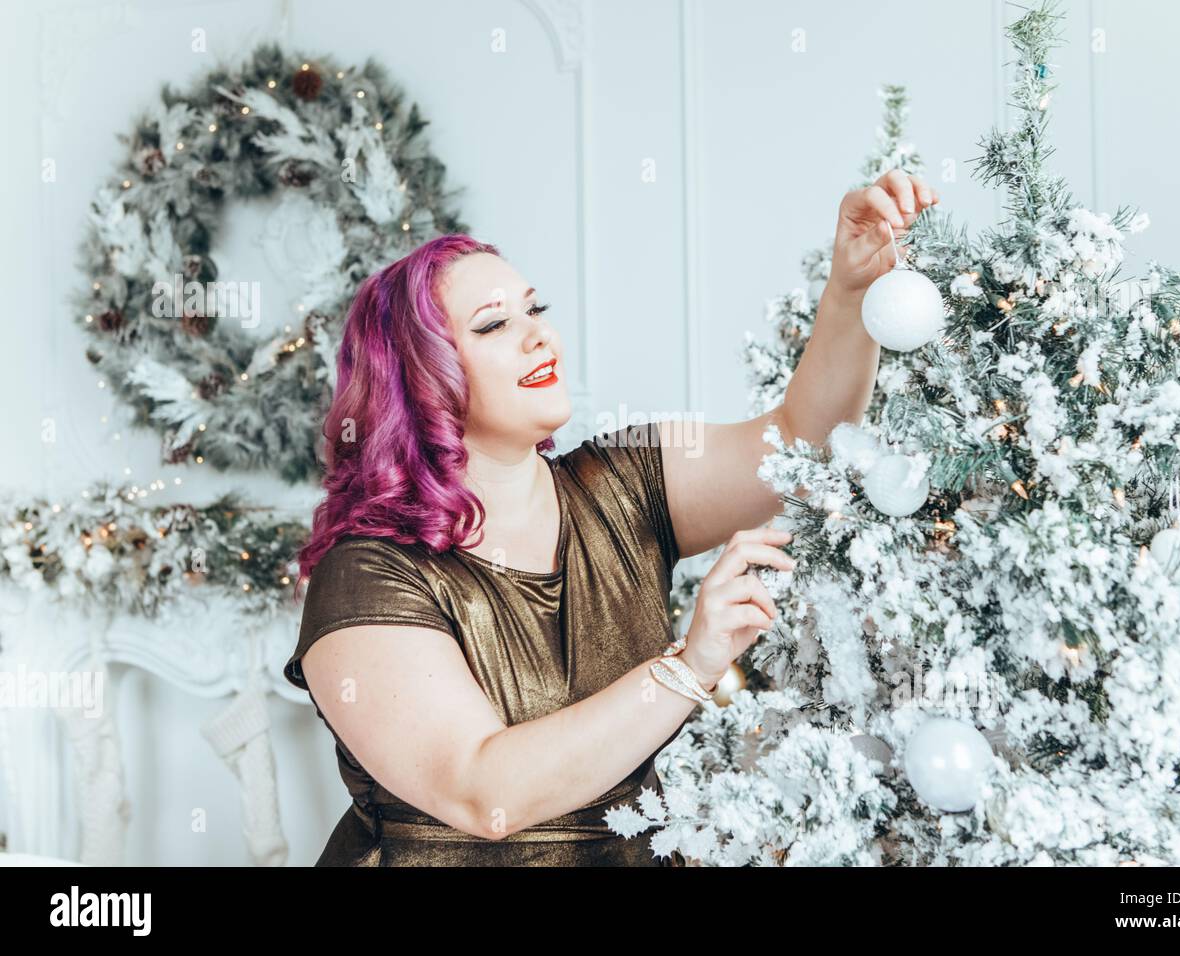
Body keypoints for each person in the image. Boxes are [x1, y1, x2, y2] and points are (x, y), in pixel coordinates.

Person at [283, 170, 939, 865]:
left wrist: (852, 290)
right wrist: (690, 666)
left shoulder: (621, 480)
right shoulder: (363, 575)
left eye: (537, 310)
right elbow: (483, 794)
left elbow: (801, 441)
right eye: (495, 324)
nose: (539, 337)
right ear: (418, 377)